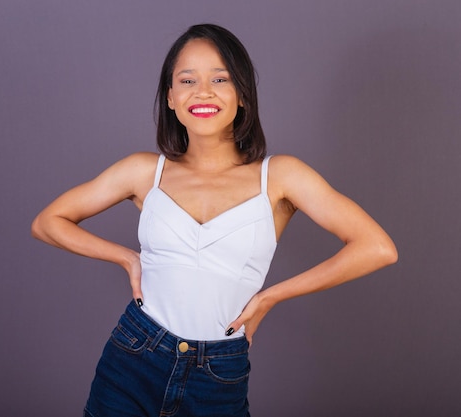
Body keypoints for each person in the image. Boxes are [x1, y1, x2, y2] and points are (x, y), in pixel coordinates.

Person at [32, 23, 397, 417]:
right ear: (170, 97)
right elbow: (48, 221)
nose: (202, 91)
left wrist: (270, 297)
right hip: (134, 356)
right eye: (187, 79)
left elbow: (376, 248)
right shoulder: (143, 172)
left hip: (218, 372)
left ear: (242, 94)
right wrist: (127, 258)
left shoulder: (280, 176)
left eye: (219, 78)